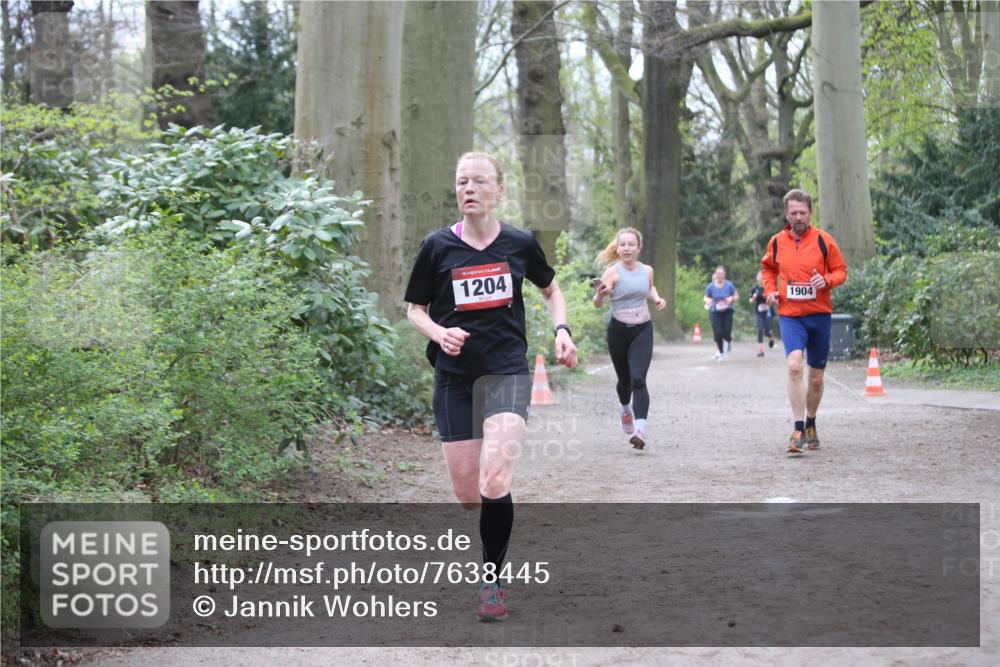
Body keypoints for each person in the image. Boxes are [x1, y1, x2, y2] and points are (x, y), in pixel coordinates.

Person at [404, 151, 578, 621]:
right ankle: (489, 544)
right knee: (469, 496)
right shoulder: (437, 247)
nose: (469, 189)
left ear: (499, 191)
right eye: (463, 181)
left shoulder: (519, 244)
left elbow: (551, 290)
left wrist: (562, 330)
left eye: (480, 181)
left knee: (495, 478)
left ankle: (492, 584)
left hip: (506, 372)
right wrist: (438, 333)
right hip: (454, 379)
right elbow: (415, 309)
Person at [761, 188, 847, 457]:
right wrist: (770, 291)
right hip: (790, 315)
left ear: (810, 213)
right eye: (793, 213)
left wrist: (827, 280)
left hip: (819, 315)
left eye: (803, 212)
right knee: (794, 366)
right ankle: (798, 428)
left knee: (817, 378)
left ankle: (811, 422)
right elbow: (768, 269)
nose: (798, 217)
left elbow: (841, 271)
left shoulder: (824, 241)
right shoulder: (777, 242)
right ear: (786, 214)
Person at [592, 228, 666, 450]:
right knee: (625, 383)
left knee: (639, 379)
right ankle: (626, 409)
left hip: (642, 329)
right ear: (617, 248)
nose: (626, 248)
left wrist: (657, 298)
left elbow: (650, 287)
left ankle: (640, 431)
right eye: (622, 244)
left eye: (631, 244)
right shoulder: (612, 273)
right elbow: (597, 303)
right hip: (619, 332)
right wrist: (600, 295)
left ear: (638, 248)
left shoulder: (647, 270)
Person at [703, 266, 738, 361]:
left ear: (724, 275)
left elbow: (736, 296)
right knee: (718, 333)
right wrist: (707, 300)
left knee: (726, 333)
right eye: (718, 274)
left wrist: (731, 298)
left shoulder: (729, 285)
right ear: (716, 274)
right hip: (715, 312)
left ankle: (728, 341)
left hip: (727, 312)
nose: (720, 276)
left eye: (721, 274)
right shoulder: (711, 286)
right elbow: (705, 297)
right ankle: (721, 353)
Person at [748, 271, 777, 357]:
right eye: (759, 276)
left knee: (767, 331)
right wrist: (753, 298)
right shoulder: (754, 288)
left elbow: (775, 300)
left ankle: (771, 337)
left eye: (762, 276)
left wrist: (768, 298)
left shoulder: (768, 287)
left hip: (768, 312)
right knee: (760, 329)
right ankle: (761, 350)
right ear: (757, 278)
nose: (760, 278)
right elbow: (750, 301)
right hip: (759, 312)